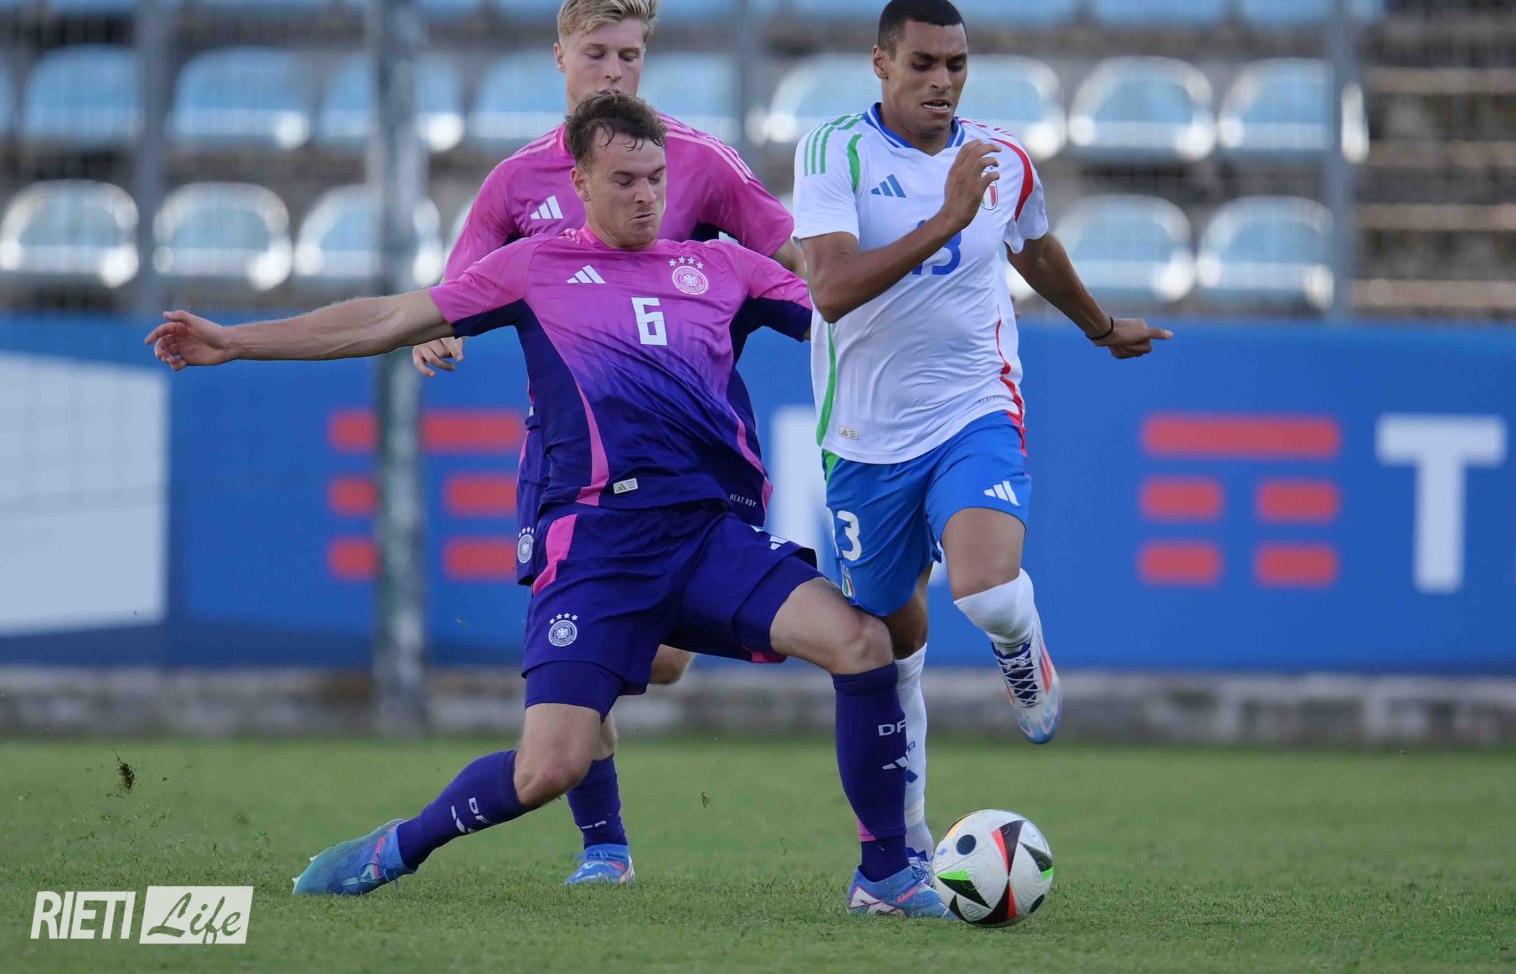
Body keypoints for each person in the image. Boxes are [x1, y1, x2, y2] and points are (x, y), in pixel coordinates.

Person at [145, 91, 950, 919]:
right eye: (625, 180)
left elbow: (851, 320)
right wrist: (236, 340)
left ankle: (884, 876)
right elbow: (388, 318)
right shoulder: (533, 268)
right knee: (547, 769)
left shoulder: (725, 270)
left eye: (657, 178)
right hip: (598, 546)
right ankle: (400, 846)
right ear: (581, 182)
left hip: (708, 535)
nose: (646, 194)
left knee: (860, 643)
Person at [413, 0, 806, 885]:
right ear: (561, 58)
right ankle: (605, 846)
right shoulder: (515, 182)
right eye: (597, 53)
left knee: (661, 661)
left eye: (629, 55)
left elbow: (790, 261)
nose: (613, 71)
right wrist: (436, 334)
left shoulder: (696, 162)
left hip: (686, 453)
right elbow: (456, 285)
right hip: (570, 460)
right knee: (588, 655)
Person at [792, 0, 1173, 875]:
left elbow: (1033, 248)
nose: (942, 81)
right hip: (864, 439)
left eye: (956, 65)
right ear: (881, 63)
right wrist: (946, 220)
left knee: (989, 588)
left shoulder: (1001, 158)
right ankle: (909, 840)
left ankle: (1020, 649)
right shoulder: (834, 150)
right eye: (922, 63)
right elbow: (831, 289)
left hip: (973, 408)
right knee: (891, 656)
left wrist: (1099, 326)